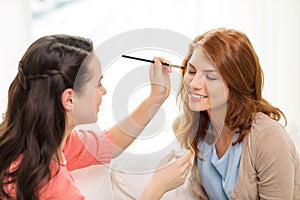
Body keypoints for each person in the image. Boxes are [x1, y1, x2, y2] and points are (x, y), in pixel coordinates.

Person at [0, 34, 192, 200]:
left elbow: (110, 144)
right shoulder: (54, 185)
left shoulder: (45, 142)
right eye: (98, 84)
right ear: (69, 99)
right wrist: (157, 186)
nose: (104, 90)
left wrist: (155, 97)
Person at [172, 28, 300, 199]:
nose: (194, 84)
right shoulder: (192, 127)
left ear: (236, 82)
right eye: (192, 71)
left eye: (210, 76)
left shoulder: (269, 138)